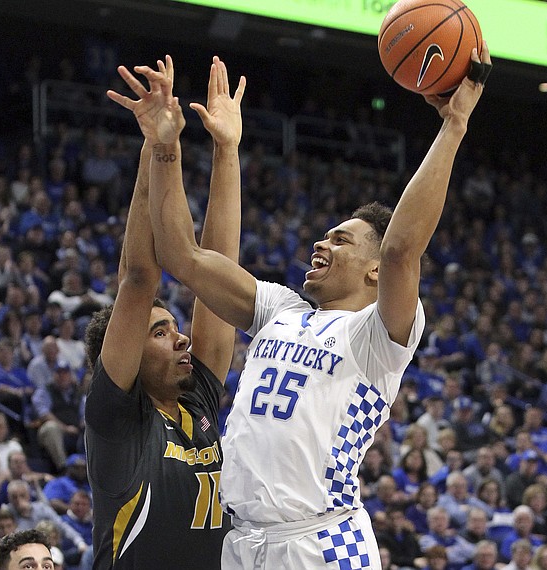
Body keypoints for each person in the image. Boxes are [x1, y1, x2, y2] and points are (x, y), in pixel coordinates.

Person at [140, 34, 490, 565]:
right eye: (324, 236)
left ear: (373, 270)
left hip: (321, 543)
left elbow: (400, 249)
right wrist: (169, 147)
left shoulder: (378, 336)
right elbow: (181, 255)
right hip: (242, 543)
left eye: (341, 239)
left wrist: (453, 124)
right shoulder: (280, 309)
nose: (321, 244)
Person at [83, 54, 244, 568]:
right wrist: (160, 148)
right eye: (159, 331)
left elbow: (218, 275)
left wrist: (226, 150)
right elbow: (137, 277)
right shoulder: (117, 419)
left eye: (174, 327)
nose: (181, 339)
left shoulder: (196, 401)